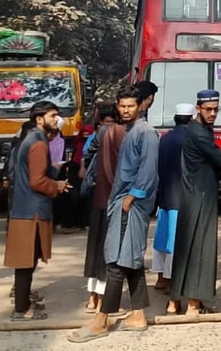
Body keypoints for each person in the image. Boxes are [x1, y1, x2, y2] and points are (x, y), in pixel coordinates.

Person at [70, 85, 159, 342]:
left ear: (140, 105)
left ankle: (101, 320)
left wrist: (131, 198)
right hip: (122, 201)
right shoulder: (131, 131)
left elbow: (149, 172)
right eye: (122, 106)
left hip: (130, 204)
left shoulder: (146, 132)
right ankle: (139, 314)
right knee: (130, 260)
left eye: (130, 105)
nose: (126, 110)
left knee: (115, 262)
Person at [4, 101, 70, 321]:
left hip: (24, 208)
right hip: (31, 212)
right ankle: (21, 310)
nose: (56, 120)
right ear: (39, 119)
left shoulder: (33, 139)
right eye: (53, 116)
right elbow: (38, 181)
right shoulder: (38, 143)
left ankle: (22, 306)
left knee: (26, 262)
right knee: (26, 262)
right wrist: (58, 185)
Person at [169, 90, 221, 314]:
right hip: (201, 195)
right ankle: (194, 303)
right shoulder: (198, 133)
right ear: (198, 109)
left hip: (193, 193)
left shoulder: (199, 129)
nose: (213, 113)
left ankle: (174, 301)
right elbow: (220, 157)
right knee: (200, 248)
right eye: (208, 109)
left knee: (186, 246)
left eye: (216, 109)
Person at [82, 102, 124, 313]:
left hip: (98, 199)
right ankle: (100, 299)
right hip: (112, 201)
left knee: (96, 247)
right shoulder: (122, 137)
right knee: (108, 250)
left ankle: (93, 299)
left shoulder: (96, 139)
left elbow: (86, 160)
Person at [152, 103, 193, 295]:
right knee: (175, 241)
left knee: (162, 239)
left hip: (165, 195)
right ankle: (171, 279)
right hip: (182, 197)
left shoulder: (165, 139)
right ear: (191, 119)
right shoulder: (190, 139)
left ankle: (160, 277)